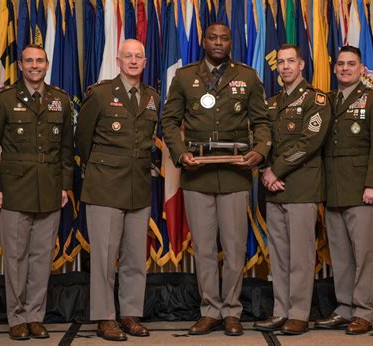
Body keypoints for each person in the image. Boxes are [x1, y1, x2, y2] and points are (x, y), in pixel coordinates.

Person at [161, 23, 271, 336]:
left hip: (235, 174)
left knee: (235, 248)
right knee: (205, 248)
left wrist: (261, 151)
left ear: (231, 42)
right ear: (203, 40)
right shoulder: (184, 77)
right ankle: (210, 310)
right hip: (197, 176)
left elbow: (262, 122)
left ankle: (233, 311)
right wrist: (181, 154)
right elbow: (169, 122)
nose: (218, 42)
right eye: (213, 37)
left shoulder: (247, 76)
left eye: (224, 37)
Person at [0, 44, 74, 340]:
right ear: (20, 65)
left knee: (41, 257)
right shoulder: (6, 99)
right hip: (14, 191)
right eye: (29, 61)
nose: (35, 65)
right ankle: (17, 317)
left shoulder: (60, 100)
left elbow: (66, 150)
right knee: (16, 258)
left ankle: (36, 316)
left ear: (47, 65)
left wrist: (65, 186)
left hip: (49, 189)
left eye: (40, 60)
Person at [75, 39, 160, 342]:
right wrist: (102, 168)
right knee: (104, 258)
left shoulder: (152, 97)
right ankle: (104, 317)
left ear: (145, 62)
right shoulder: (99, 95)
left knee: (135, 258)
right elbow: (83, 140)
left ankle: (129, 314)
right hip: (105, 185)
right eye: (128, 56)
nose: (134, 61)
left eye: (139, 56)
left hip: (138, 186)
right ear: (118, 60)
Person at [315, 46, 373, 335]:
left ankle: (363, 311)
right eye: (340, 64)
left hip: (364, 191)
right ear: (334, 68)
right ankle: (344, 308)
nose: (345, 68)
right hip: (334, 190)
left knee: (364, 256)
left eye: (351, 64)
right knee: (340, 256)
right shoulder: (327, 100)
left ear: (361, 69)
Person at [253, 44, 331, 335]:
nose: (285, 67)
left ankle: (298, 313)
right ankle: (280, 311)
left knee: (300, 256)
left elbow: (309, 143)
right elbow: (264, 141)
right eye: (281, 62)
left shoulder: (316, 100)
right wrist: (265, 172)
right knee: (280, 255)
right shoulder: (272, 103)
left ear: (301, 65)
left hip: (300, 187)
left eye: (291, 61)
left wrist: (276, 170)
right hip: (274, 188)